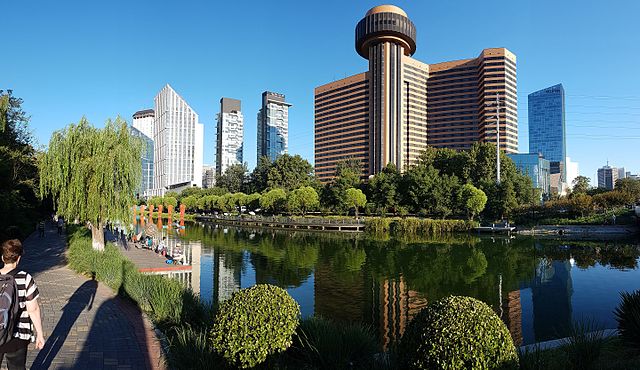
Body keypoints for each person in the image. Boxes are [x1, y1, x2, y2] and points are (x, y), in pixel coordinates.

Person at [0, 239, 45, 369]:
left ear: (3, 257)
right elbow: (33, 309)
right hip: (18, 334)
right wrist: (40, 335)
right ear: (18, 258)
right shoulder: (25, 278)